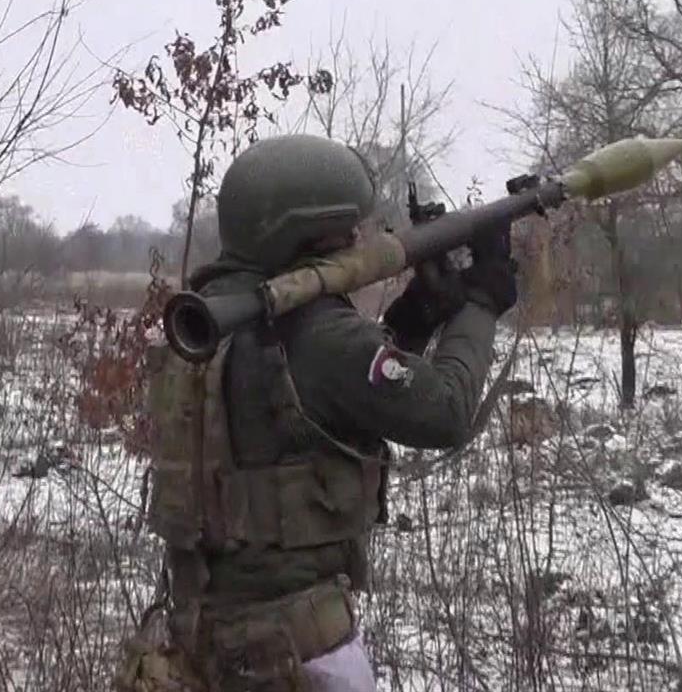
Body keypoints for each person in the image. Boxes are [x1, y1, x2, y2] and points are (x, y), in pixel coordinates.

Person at [120, 134, 517, 692]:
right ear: (303, 233)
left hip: (198, 639)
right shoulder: (313, 330)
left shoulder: (209, 321)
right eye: (345, 230)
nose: (356, 240)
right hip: (298, 651)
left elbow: (311, 410)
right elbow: (446, 412)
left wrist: (416, 316)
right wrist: (482, 302)